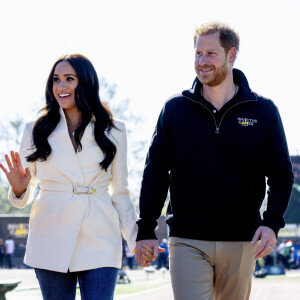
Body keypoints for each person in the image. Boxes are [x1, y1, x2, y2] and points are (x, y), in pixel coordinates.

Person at [135, 21, 294, 300]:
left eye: (211, 54)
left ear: (231, 55)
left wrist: (271, 223)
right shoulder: (175, 109)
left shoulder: (264, 111)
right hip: (187, 239)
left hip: (242, 241)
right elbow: (156, 172)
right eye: (198, 53)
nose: (202, 61)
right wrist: (146, 228)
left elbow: (281, 174)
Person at [0, 54, 138, 300]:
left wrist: (137, 241)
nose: (60, 86)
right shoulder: (35, 130)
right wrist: (20, 190)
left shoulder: (115, 130)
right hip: (50, 236)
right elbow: (23, 195)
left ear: (85, 82)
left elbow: (120, 194)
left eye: (69, 79)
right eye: (56, 79)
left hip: (100, 237)